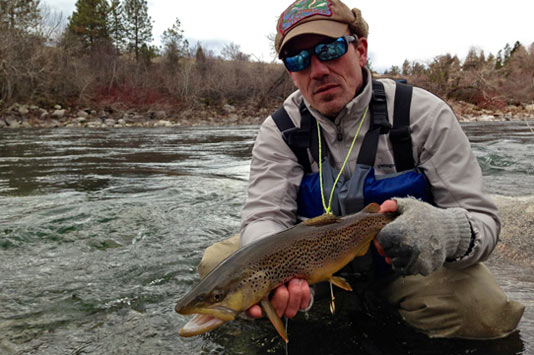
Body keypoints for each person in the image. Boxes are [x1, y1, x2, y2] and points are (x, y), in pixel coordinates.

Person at [199, 0, 524, 339]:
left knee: (485, 310)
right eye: (298, 59)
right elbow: (263, 216)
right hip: (313, 270)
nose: (318, 69)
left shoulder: (423, 115)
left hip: (406, 269)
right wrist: (277, 276)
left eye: (329, 49)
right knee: (217, 265)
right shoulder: (280, 130)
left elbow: (483, 221)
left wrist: (443, 230)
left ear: (361, 49)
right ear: (290, 72)